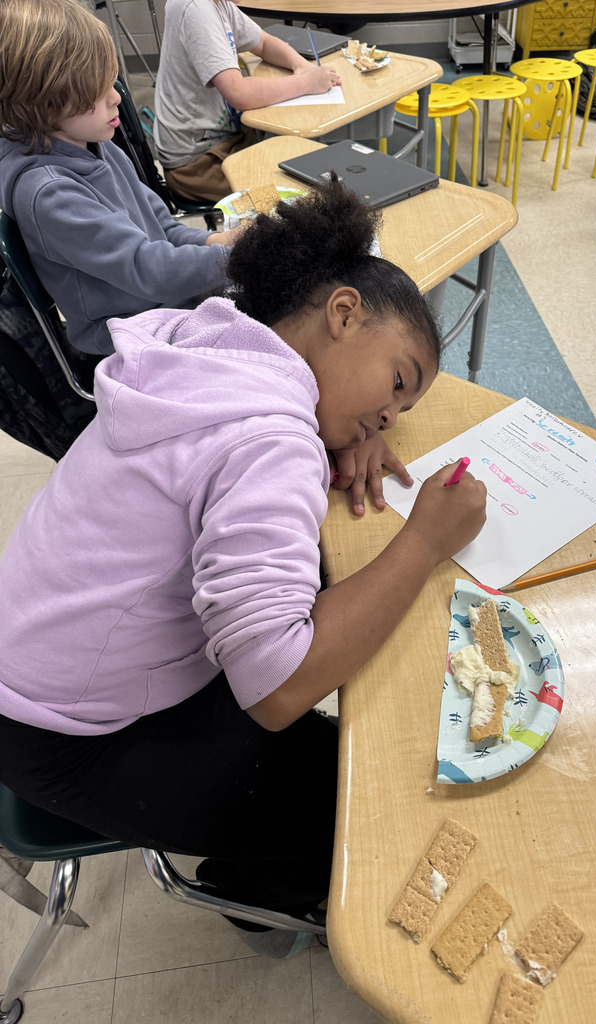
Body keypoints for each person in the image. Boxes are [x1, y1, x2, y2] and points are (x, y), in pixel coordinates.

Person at [0, 172, 488, 958]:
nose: (391, 417)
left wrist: (349, 424)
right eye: (396, 384)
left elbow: (231, 452)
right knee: (374, 796)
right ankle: (255, 894)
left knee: (347, 711)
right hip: (63, 737)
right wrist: (426, 541)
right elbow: (276, 688)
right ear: (342, 312)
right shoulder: (269, 438)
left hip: (34, 664)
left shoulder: (206, 338)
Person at [0, 0, 243, 357]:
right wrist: (239, 257)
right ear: (44, 104)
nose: (116, 98)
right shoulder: (49, 193)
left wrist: (219, 241)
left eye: (110, 82)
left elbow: (165, 229)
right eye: (96, 93)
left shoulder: (97, 144)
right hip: (130, 337)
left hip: (164, 306)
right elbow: (148, 269)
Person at [154, 0, 341, 202]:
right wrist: (305, 83)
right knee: (301, 197)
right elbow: (239, 93)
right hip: (199, 165)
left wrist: (303, 67)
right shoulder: (195, 8)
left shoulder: (219, 4)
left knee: (309, 173)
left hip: (226, 143)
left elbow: (263, 43)